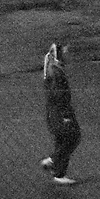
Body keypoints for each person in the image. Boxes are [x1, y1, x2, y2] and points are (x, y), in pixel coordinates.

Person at [40, 42, 81, 186]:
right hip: (60, 111)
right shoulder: (55, 72)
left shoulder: (54, 68)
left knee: (62, 140)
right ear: (59, 55)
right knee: (73, 137)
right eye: (66, 53)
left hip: (54, 112)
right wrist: (65, 114)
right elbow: (58, 95)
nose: (68, 55)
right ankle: (52, 160)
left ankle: (59, 174)